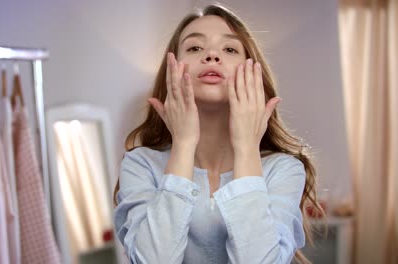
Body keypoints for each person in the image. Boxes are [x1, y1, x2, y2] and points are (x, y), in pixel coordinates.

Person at [113, 3, 323, 264]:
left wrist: (247, 147)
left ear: (253, 73)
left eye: (230, 49)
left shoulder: (283, 169)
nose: (212, 55)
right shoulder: (140, 165)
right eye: (194, 48)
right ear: (172, 71)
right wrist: (183, 144)